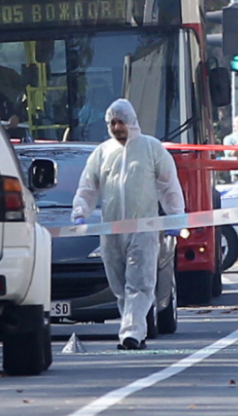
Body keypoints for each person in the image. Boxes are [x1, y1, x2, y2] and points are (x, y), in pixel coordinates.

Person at [71, 99, 186, 351]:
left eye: (120, 121)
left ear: (132, 122)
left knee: (140, 283)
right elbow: (88, 187)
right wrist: (80, 212)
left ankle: (131, 335)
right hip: (110, 231)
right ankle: (134, 331)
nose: (116, 127)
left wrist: (175, 216)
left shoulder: (151, 149)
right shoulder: (102, 153)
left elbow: (169, 186)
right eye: (112, 122)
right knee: (120, 286)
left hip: (143, 230)